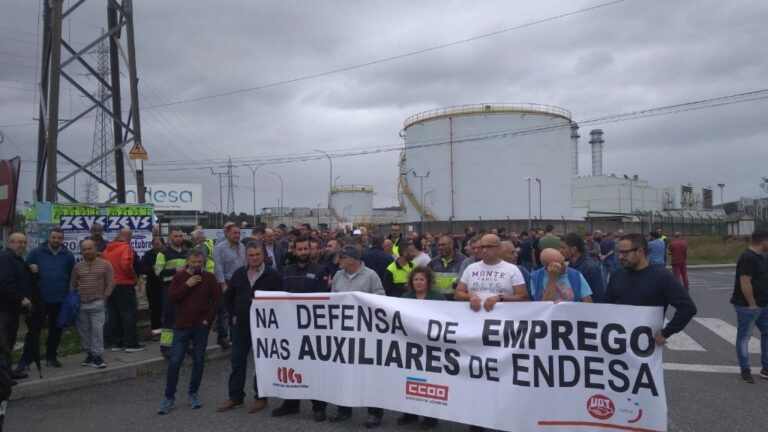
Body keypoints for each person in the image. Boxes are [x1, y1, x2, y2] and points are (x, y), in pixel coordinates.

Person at [217, 245, 282, 414]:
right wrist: (233, 314)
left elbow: (281, 299)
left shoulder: (272, 275)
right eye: (251, 254)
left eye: (257, 254)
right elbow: (229, 297)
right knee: (237, 361)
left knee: (261, 363)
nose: (254, 257)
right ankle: (235, 397)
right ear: (246, 256)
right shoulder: (239, 274)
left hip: (264, 327)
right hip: (241, 326)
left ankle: (261, 397)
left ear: (264, 255)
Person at [270, 238, 328, 420]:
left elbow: (322, 298)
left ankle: (319, 406)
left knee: (313, 367)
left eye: (306, 249)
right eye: (299, 249)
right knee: (291, 365)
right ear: (294, 251)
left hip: (311, 327)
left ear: (311, 251)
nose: (303, 252)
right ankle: (291, 403)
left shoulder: (320, 270)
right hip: (290, 327)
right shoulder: (286, 271)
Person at [605, 233, 697, 347]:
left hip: (645, 348)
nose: (620, 257)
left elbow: (688, 307)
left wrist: (665, 333)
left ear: (640, 251)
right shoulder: (616, 275)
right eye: (619, 252)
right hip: (615, 343)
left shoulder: (662, 277)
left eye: (625, 252)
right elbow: (606, 306)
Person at [158, 250, 220, 415]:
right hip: (181, 326)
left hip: (201, 327)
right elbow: (172, 298)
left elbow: (216, 300)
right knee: (175, 362)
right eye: (194, 262)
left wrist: (208, 320)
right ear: (188, 262)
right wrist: (188, 285)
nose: (197, 265)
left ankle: (193, 393)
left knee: (199, 362)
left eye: (200, 262)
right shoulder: (179, 277)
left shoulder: (209, 278)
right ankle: (169, 397)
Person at [330, 245, 385, 428]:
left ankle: (374, 412)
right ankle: (344, 408)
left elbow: (380, 299)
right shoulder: (339, 275)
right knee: (343, 371)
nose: (339, 260)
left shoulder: (371, 275)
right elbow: (332, 300)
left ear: (352, 259)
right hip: (343, 332)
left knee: (369, 373)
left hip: (365, 333)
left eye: (342, 257)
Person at [17, 228, 75, 369]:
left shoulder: (68, 255)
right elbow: (24, 273)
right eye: (53, 237)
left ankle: (51, 357)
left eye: (59, 238)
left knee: (56, 330)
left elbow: (72, 275)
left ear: (63, 239)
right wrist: (32, 271)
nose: (56, 240)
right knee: (34, 331)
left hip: (60, 299)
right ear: (48, 237)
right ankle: (25, 361)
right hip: (40, 298)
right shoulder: (36, 252)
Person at [397, 267, 442, 430]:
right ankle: (410, 412)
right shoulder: (405, 297)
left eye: (422, 279)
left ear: (428, 282)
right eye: (415, 279)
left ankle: (431, 416)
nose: (418, 282)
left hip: (430, 347)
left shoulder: (438, 298)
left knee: (429, 381)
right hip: (409, 345)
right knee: (409, 379)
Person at [730, 230, 768, 383]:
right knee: (744, 337)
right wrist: (752, 304)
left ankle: (766, 368)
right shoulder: (748, 257)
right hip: (747, 306)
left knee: (767, 333)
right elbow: (745, 282)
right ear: (763, 241)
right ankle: (745, 370)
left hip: (763, 304)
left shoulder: (760, 257)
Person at [455, 234, 528, 312]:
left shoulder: (512, 269)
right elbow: (458, 294)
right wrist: (471, 296)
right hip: (474, 317)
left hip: (504, 317)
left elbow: (523, 297)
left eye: (489, 247)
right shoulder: (470, 268)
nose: (484, 250)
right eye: (482, 247)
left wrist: (500, 298)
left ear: (499, 249)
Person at [71, 240, 114, 368]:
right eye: (84, 249)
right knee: (84, 331)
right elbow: (73, 284)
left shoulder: (106, 264)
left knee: (97, 330)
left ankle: (98, 356)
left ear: (95, 249)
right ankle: (89, 353)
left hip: (97, 303)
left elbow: (111, 282)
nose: (87, 252)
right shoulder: (77, 266)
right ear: (81, 251)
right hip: (81, 305)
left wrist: (105, 298)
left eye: (89, 249)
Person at [0, 233, 37, 381]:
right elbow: (4, 283)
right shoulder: (5, 258)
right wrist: (21, 298)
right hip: (4, 309)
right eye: (19, 242)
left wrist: (31, 271)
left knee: (9, 341)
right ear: (10, 243)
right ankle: (4, 377)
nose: (22, 245)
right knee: (3, 343)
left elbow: (21, 279)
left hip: (12, 309)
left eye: (24, 242)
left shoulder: (15, 258)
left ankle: (8, 371)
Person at [102, 228, 145, 353]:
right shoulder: (126, 247)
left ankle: (117, 342)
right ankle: (130, 343)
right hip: (124, 285)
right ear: (129, 236)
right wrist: (134, 278)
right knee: (129, 314)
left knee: (114, 315)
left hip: (111, 286)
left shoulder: (107, 249)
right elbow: (126, 264)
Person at [155, 228, 189, 358]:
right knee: (169, 318)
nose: (179, 238)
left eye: (180, 236)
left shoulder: (187, 252)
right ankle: (166, 347)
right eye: (176, 236)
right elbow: (158, 272)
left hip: (186, 288)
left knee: (186, 316)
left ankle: (185, 344)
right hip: (170, 289)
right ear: (170, 238)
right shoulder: (163, 253)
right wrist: (175, 271)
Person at [213, 224, 246, 350]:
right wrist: (222, 284)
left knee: (237, 310)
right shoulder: (220, 247)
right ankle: (222, 337)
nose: (237, 235)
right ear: (227, 233)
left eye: (239, 233)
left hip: (240, 283)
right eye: (234, 233)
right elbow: (218, 267)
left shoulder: (242, 247)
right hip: (227, 282)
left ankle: (235, 336)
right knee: (225, 312)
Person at [560, 233, 605, 303]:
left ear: (573, 249)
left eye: (563, 248)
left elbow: (598, 296)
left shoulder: (591, 268)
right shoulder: (570, 265)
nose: (560, 251)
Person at [140, 237, 165, 339]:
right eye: (154, 244)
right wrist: (152, 268)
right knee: (155, 310)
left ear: (163, 244)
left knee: (167, 310)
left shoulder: (167, 253)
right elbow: (142, 269)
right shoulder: (148, 255)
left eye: (158, 244)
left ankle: (169, 332)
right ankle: (156, 332)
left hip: (165, 285)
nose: (156, 246)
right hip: (153, 286)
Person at [427, 234, 467, 300]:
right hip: (437, 301)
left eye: (443, 245)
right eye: (439, 245)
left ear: (451, 245)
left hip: (456, 302)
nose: (440, 247)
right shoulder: (433, 262)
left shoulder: (463, 262)